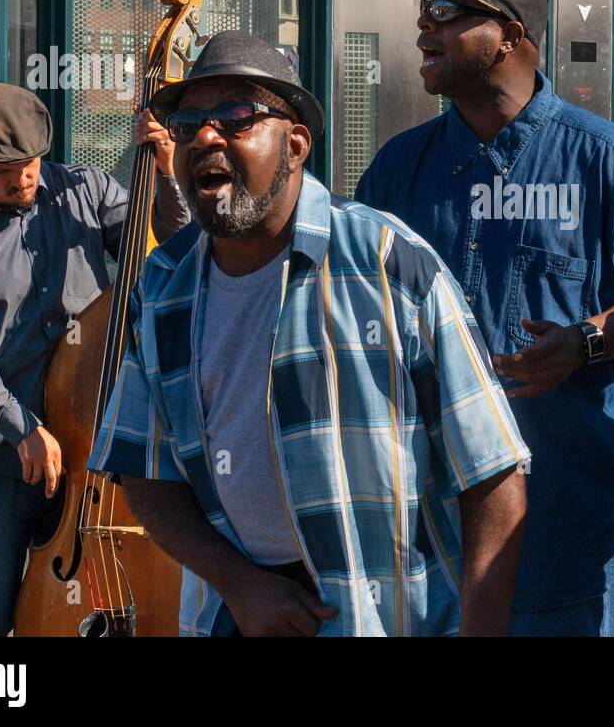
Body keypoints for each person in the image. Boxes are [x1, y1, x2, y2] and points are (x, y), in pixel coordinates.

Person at [88, 31, 530, 637]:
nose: (207, 138)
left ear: (296, 144)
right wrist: (237, 583)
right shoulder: (164, 287)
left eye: (237, 117)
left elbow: (492, 473)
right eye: (188, 125)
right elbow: (143, 468)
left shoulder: (389, 263)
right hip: (235, 618)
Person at [355, 0, 614, 636]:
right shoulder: (398, 169)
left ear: (512, 34)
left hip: (565, 542)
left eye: (445, 13)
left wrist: (586, 342)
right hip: (429, 539)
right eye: (421, 14)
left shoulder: (603, 158)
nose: (423, 30)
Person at [0, 81, 189, 636]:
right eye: (4, 171)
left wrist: (167, 174)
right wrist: (20, 424)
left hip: (97, 458)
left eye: (31, 163)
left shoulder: (85, 190)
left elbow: (172, 255)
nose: (23, 178)